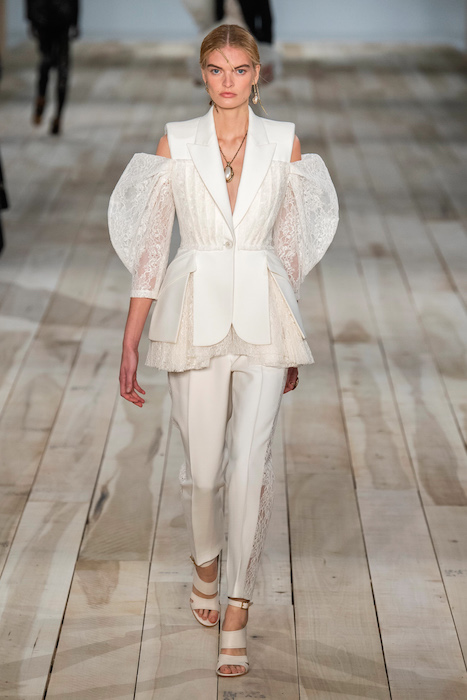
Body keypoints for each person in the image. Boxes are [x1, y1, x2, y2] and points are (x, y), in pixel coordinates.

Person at [108, 24, 338, 678]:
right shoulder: (175, 141)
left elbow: (289, 251)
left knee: (249, 466)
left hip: (265, 318)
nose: (228, 81)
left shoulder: (284, 142)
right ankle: (205, 562)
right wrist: (130, 339)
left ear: (257, 74)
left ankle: (237, 604)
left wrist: (291, 335)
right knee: (204, 471)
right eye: (216, 69)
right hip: (192, 316)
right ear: (202, 74)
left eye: (240, 69)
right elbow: (151, 251)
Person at [26, 0, 80, 135]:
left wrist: (31, 19)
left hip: (48, 19)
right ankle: (53, 112)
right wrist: (76, 22)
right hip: (55, 19)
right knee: (57, 67)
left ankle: (48, 106)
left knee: (49, 64)